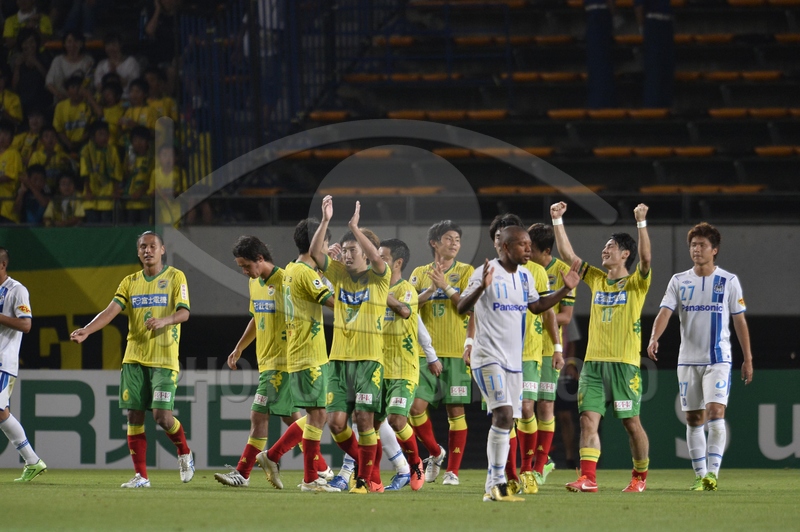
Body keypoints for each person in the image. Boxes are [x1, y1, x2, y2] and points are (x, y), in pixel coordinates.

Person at [458, 226, 579, 502]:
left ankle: (493, 485)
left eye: (529, 244)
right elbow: (462, 307)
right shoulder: (484, 272)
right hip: (487, 357)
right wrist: (481, 288)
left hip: (515, 362)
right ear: (505, 247)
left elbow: (537, 307)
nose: (528, 248)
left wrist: (565, 289)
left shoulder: (525, 276)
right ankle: (498, 484)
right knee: (503, 414)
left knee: (508, 419)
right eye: (522, 244)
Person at [70, 231, 194, 488]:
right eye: (142, 247)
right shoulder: (130, 282)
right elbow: (110, 311)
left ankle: (184, 452)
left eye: (152, 246)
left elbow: (184, 313)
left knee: (162, 417)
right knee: (134, 416)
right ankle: (142, 477)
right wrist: (88, 330)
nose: (147, 250)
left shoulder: (175, 277)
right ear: (138, 252)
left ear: (162, 250)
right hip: (134, 359)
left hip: (164, 360)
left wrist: (164, 321)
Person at [552, 201, 652, 493]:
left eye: (610, 247)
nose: (604, 250)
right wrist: (557, 220)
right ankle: (588, 478)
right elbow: (568, 256)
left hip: (624, 365)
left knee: (631, 424)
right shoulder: (596, 278)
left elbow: (646, 259)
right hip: (593, 365)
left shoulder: (636, 283)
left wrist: (641, 223)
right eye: (605, 246)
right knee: (587, 420)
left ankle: (639, 477)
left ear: (625, 254)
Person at [648, 222, 753, 491]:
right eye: (693, 245)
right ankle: (700, 475)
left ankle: (712, 475)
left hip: (718, 359)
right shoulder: (679, 281)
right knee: (694, 419)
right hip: (687, 360)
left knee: (715, 412)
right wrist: (654, 337)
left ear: (714, 250)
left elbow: (739, 321)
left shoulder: (728, 281)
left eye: (702, 245)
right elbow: (665, 312)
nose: (696, 249)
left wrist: (748, 358)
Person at [308, 195, 389, 494]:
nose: (347, 255)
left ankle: (364, 480)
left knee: (364, 420)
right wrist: (325, 220)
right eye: (344, 251)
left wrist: (355, 229)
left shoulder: (379, 277)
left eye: (352, 250)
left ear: (366, 253)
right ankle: (370, 469)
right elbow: (314, 253)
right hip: (339, 360)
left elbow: (378, 260)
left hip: (369, 360)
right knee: (336, 423)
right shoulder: (339, 274)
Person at [214, 236, 303, 488]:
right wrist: (239, 347)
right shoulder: (255, 283)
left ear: (260, 259)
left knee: (258, 415)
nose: (244, 271)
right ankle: (321, 468)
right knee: (294, 421)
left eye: (246, 266)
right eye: (241, 267)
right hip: (267, 362)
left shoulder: (285, 281)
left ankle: (243, 473)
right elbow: (256, 317)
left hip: (282, 362)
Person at [255, 218, 337, 492]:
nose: (326, 248)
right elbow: (335, 304)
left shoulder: (292, 268)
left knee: (318, 415)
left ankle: (278, 457)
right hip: (308, 353)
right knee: (318, 415)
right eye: (325, 242)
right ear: (316, 243)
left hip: (302, 351)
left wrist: (325, 272)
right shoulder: (305, 272)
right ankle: (307, 477)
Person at [408, 220, 473, 486]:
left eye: (457, 239)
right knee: (414, 409)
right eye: (448, 238)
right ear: (434, 243)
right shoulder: (419, 273)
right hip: (425, 353)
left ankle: (452, 472)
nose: (454, 243)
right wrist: (429, 291)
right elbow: (406, 308)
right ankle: (436, 453)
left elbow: (469, 307)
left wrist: (446, 287)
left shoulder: (466, 271)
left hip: (456, 352)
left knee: (455, 411)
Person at [528, 222, 578, 486]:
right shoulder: (523, 268)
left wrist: (533, 316)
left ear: (546, 251)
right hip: (524, 348)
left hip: (548, 348)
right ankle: (528, 461)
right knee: (524, 407)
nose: (527, 253)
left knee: (546, 405)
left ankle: (540, 464)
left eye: (532, 249)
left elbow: (566, 317)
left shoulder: (562, 272)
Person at [374, 238, 424, 491]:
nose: (377, 262)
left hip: (403, 367)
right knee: (369, 424)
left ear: (397, 263)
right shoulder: (373, 287)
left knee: (395, 420)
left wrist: (379, 294)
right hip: (376, 367)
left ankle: (415, 463)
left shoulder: (407, 289)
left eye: (383, 258)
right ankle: (371, 477)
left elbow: (404, 311)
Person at [0, 246, 47, 481]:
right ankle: (32, 461)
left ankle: (33, 460)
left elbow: (26, 324)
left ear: (3, 265)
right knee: (2, 413)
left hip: (2, 362)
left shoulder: (16, 290)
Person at [80, 120, 122, 224]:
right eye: (100, 134)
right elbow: (85, 173)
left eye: (106, 134)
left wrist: (116, 190)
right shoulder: (86, 151)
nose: (104, 137)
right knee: (92, 227)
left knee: (106, 226)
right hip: (91, 196)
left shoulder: (112, 150)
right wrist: (88, 191)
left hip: (107, 196)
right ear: (93, 137)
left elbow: (116, 172)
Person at [11, 29, 51, 118]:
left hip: (41, 101)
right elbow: (14, 87)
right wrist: (17, 67)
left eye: (32, 41)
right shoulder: (17, 59)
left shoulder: (44, 57)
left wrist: (36, 63)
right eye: (25, 42)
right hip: (23, 102)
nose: (29, 45)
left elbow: (49, 80)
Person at [45, 31, 94, 102]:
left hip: (82, 102)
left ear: (81, 43)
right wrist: (59, 95)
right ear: (64, 44)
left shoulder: (88, 60)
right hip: (61, 102)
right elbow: (49, 82)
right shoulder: (57, 60)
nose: (72, 44)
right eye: (69, 41)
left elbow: (91, 84)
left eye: (76, 41)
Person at [93, 34, 140, 100]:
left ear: (120, 45)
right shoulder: (102, 64)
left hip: (126, 98)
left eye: (114, 45)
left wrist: (115, 74)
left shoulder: (131, 62)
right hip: (106, 100)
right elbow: (98, 86)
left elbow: (134, 84)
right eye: (108, 45)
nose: (111, 48)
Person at [52, 74, 91, 153]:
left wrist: (80, 142)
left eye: (78, 87)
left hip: (85, 144)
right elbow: (58, 129)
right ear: (67, 90)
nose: (76, 90)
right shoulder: (60, 106)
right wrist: (69, 144)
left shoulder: (88, 105)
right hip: (66, 145)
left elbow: (91, 128)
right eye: (73, 87)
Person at [122, 126, 153, 224]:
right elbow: (125, 176)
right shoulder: (129, 157)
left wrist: (142, 191)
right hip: (130, 202)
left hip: (146, 203)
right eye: (135, 140)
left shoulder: (152, 159)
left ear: (148, 142)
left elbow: (153, 180)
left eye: (142, 140)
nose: (138, 143)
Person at [0, 119, 23, 223]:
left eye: (6, 134)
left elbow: (10, 176)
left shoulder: (13, 154)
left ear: (12, 138)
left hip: (7, 208)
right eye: (0, 133)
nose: (2, 137)